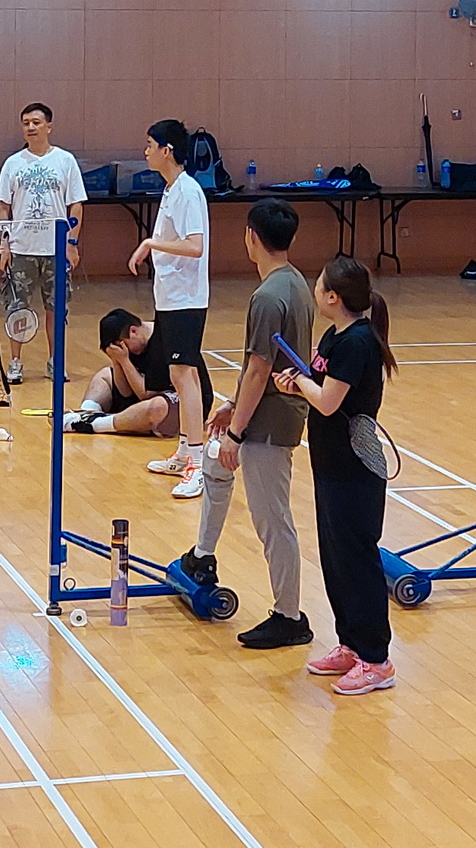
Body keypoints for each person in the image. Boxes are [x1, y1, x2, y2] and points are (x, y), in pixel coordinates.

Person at [173, 197, 315, 650]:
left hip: (271, 423)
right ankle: (202, 556)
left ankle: (289, 616)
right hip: (260, 411)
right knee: (215, 464)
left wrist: (237, 430)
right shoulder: (295, 283)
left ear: (251, 237)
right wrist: (233, 406)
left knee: (273, 521)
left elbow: (259, 368)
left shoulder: (269, 297)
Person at [279, 258, 398, 696]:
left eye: (319, 284)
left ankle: (377, 660)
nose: (314, 289)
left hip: (356, 468)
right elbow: (319, 383)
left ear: (333, 296)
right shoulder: (334, 336)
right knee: (334, 558)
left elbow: (328, 401)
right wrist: (298, 380)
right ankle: (351, 644)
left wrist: (300, 384)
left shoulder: (357, 342)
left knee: (357, 560)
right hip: (330, 462)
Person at [131, 119, 213, 498]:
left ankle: (197, 463)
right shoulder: (170, 190)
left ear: (167, 150)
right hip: (169, 298)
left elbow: (195, 246)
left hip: (187, 300)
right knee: (177, 377)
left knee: (185, 376)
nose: (146, 151)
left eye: (151, 145)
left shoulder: (189, 192)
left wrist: (151, 243)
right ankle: (183, 453)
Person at [0, 101, 84, 385]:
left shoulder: (65, 161)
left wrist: (71, 243)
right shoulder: (13, 164)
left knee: (56, 310)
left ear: (49, 127)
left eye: (36, 122)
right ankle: (15, 363)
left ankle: (55, 361)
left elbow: (76, 205)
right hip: (21, 249)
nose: (30, 127)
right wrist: (4, 244)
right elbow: (3, 207)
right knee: (17, 309)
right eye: (26, 123)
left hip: (55, 249)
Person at [65, 308, 176, 442]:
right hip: (141, 397)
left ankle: (94, 423)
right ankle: (86, 413)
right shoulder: (133, 344)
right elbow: (125, 392)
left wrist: (124, 360)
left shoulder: (160, 343)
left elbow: (146, 395)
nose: (126, 350)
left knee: (157, 406)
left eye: (123, 346)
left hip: (168, 400)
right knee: (105, 375)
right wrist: (117, 361)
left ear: (133, 331)